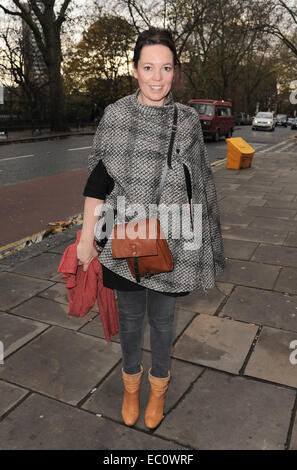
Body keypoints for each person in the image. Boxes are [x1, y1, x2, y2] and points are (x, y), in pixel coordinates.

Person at [77, 27, 225, 430]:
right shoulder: (117, 115)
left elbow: (199, 188)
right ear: (135, 70)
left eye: (165, 68)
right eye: (148, 67)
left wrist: (200, 245)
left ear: (175, 71)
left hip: (172, 241)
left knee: (162, 322)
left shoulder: (189, 121)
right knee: (129, 321)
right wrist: (87, 237)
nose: (157, 77)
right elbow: (97, 182)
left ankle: (157, 391)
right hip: (121, 239)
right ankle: (130, 387)